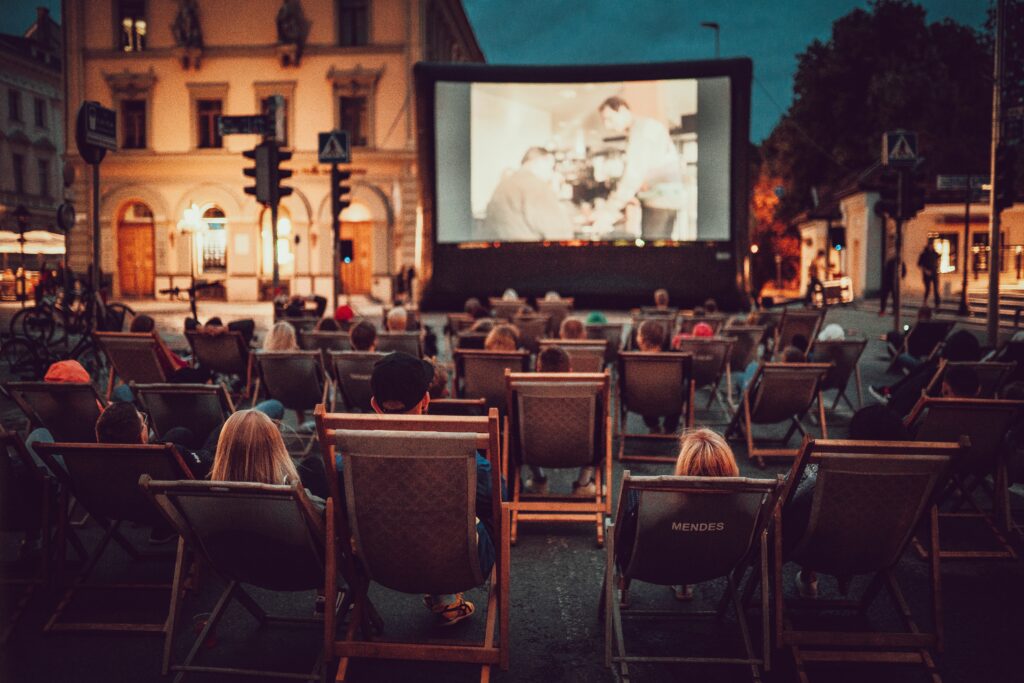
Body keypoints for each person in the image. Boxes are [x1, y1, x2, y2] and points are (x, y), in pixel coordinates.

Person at [362, 352, 500, 626]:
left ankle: (444, 599)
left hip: (380, 564)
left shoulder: (347, 458)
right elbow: (498, 497)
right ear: (426, 400)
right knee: (485, 511)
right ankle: (445, 596)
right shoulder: (458, 454)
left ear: (375, 405)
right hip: (455, 564)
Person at [783, 404, 910, 597]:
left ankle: (807, 575)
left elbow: (787, 502)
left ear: (853, 437)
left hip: (814, 548)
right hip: (877, 550)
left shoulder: (823, 467)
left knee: (800, 507)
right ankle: (811, 576)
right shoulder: (915, 477)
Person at [615, 428, 739, 601]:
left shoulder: (653, 502)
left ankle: (623, 586)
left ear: (684, 465)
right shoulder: (743, 503)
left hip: (650, 566)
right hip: (713, 566)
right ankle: (685, 584)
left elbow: (624, 539)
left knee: (628, 517)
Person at [592, 97, 686, 240]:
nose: (607, 125)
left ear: (622, 110)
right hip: (668, 200)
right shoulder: (647, 127)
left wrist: (608, 212)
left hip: (659, 202)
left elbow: (633, 175)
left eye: (609, 119)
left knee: (651, 257)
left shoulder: (641, 130)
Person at [209, 409, 324, 512]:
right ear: (276, 451)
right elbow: (325, 512)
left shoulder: (204, 499)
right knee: (313, 465)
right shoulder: (294, 497)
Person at [871, 329, 982, 417]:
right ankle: (891, 391)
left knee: (925, 368)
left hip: (903, 408)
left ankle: (891, 393)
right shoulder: (979, 376)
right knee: (929, 365)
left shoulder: (943, 376)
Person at [482, 147, 574, 242]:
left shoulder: (503, 185)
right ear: (539, 162)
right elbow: (561, 233)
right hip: (529, 253)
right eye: (551, 167)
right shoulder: (536, 186)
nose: (551, 173)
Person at [635, 319, 680, 434]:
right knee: (679, 390)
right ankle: (670, 428)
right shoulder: (676, 358)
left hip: (639, 402)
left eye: (638, 334)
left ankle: (653, 425)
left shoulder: (631, 360)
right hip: (671, 402)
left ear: (642, 339)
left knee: (642, 390)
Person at [918, 240, 941, 308]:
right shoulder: (923, 254)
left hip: (934, 273)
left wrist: (938, 269)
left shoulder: (935, 253)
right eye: (929, 245)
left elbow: (938, 260)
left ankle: (937, 304)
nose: (931, 247)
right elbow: (920, 264)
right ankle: (925, 302)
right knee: (927, 289)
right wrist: (926, 271)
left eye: (932, 245)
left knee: (936, 289)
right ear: (927, 246)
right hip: (926, 274)